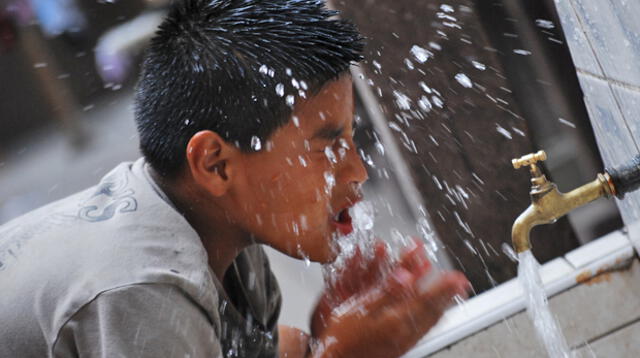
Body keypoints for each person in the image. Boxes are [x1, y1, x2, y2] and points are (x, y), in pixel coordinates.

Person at [0, 0, 470, 357]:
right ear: (215, 164)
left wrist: (320, 339)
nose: (357, 171)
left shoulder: (219, 239)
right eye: (328, 147)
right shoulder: (141, 288)